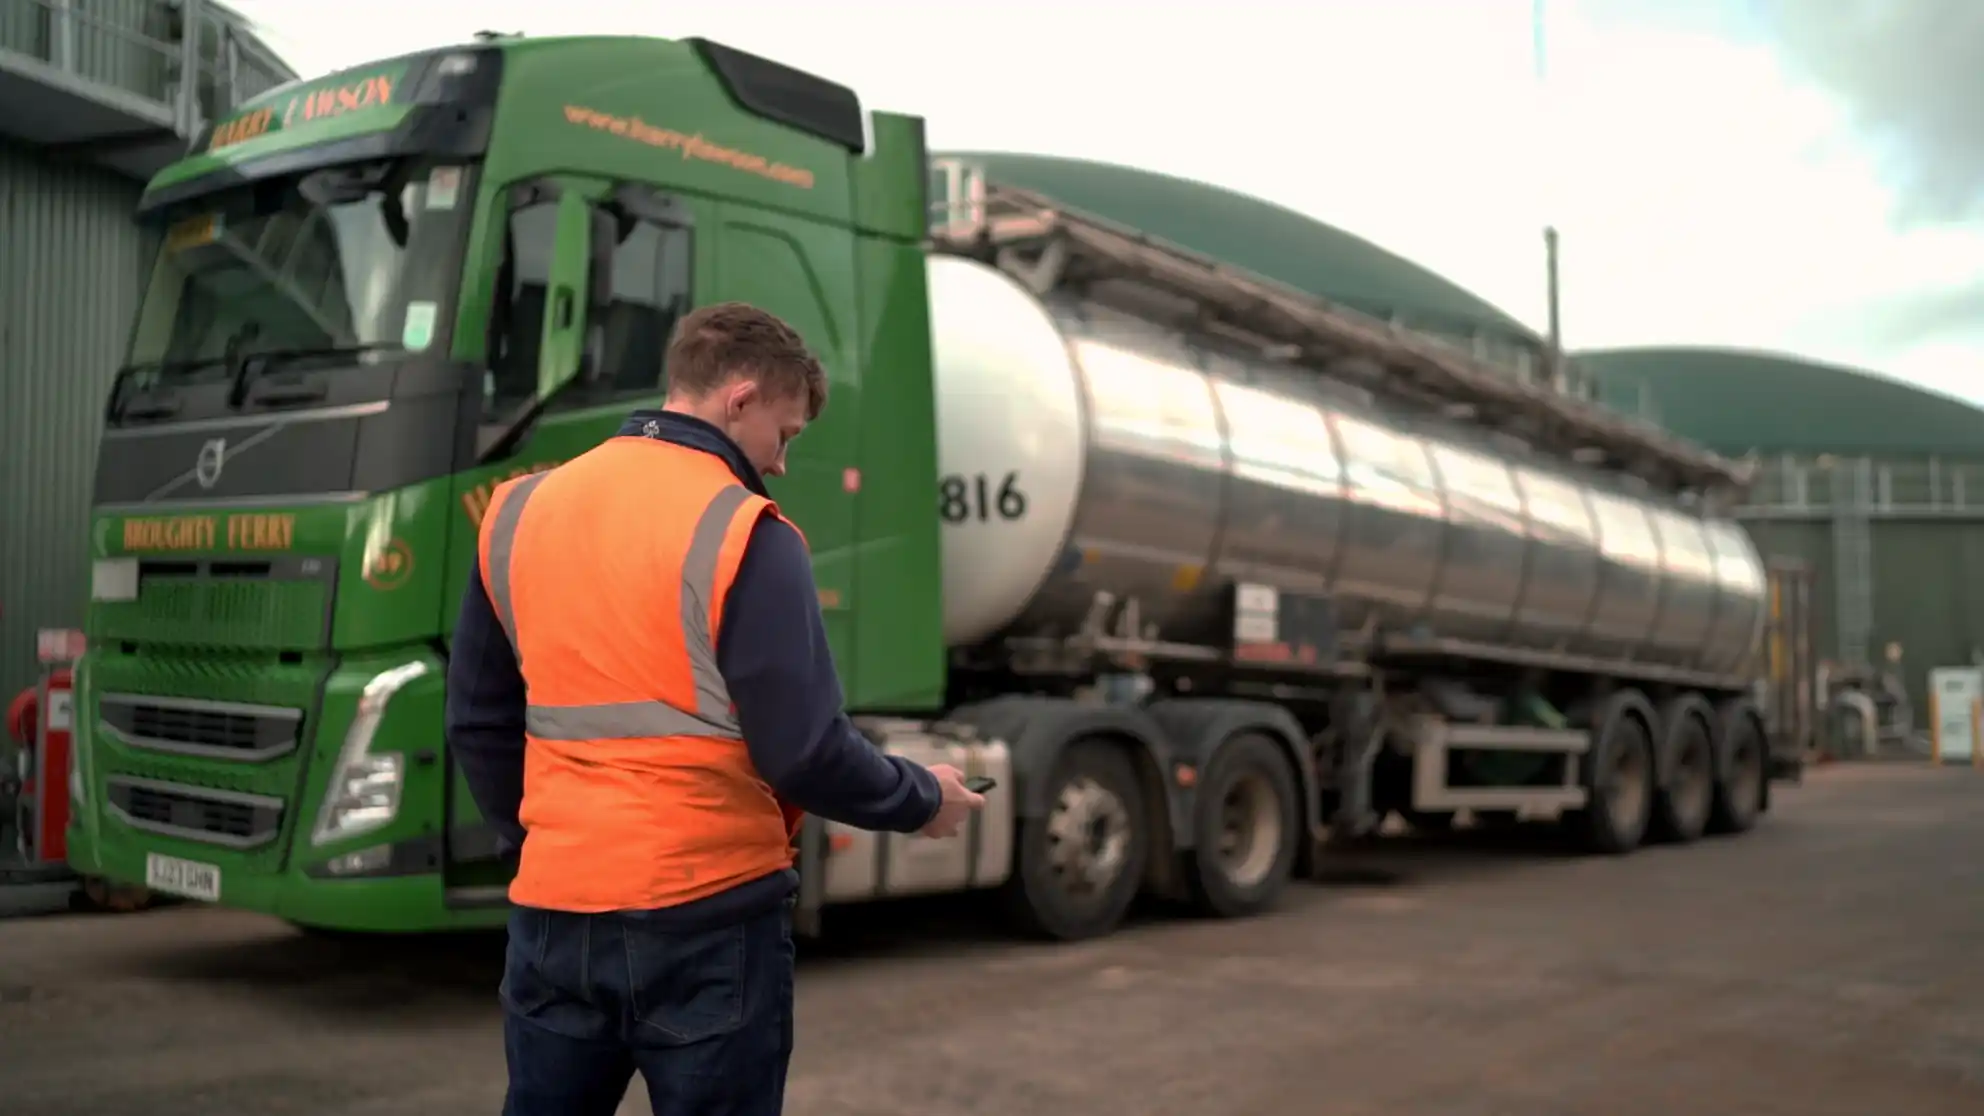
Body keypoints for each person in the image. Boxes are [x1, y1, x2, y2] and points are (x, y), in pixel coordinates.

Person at [444, 301, 987, 1116]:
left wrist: (547, 840)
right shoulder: (746, 531)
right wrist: (923, 799)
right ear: (739, 399)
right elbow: (803, 750)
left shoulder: (517, 513)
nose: (782, 462)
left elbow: (478, 722)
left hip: (555, 914)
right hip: (708, 919)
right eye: (786, 433)